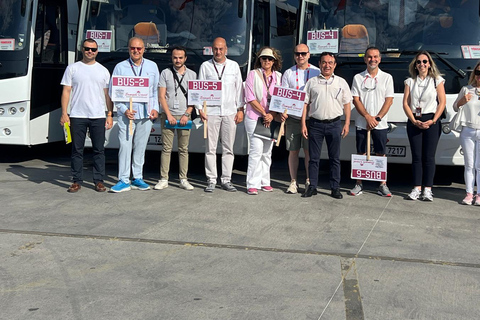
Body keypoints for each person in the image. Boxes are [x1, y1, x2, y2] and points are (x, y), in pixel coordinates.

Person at [60, 38, 113, 193]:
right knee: (77, 150)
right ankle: (76, 181)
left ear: (97, 51)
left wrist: (109, 114)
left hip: (98, 115)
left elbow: (107, 95)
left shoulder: (103, 70)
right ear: (82, 49)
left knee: (99, 150)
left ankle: (99, 181)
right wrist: (64, 113)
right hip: (77, 115)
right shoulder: (72, 68)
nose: (90, 51)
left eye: (93, 49)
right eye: (87, 48)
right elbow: (66, 91)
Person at [110, 37, 160, 193]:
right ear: (128, 49)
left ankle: (137, 177)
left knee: (140, 147)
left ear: (144, 49)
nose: (136, 51)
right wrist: (124, 109)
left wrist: (155, 109)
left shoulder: (152, 66)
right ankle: (123, 179)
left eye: (139, 48)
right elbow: (114, 93)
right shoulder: (120, 67)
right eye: (133, 48)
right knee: (125, 147)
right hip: (127, 115)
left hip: (146, 115)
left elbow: (155, 92)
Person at [301, 52, 352, 199]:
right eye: (324, 62)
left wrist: (347, 123)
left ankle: (335, 188)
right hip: (315, 124)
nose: (327, 65)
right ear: (319, 64)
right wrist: (303, 123)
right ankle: (312, 187)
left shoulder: (341, 82)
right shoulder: (312, 82)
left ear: (335, 65)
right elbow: (305, 104)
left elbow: (347, 104)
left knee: (335, 158)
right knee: (314, 158)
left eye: (330, 62)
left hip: (334, 124)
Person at [197, 37, 244, 193]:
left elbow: (239, 90)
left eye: (221, 49)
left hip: (229, 112)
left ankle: (226, 179)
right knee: (210, 148)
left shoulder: (233, 66)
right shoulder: (205, 66)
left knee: (228, 148)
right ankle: (211, 179)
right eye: (216, 49)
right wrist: (199, 108)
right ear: (212, 49)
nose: (218, 52)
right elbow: (199, 88)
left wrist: (240, 109)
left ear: (226, 50)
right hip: (211, 112)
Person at [349, 46, 394, 197]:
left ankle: (382, 184)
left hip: (380, 124)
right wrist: (367, 117)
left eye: (375, 57)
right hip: (363, 123)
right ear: (365, 59)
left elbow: (389, 100)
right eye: (369, 57)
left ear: (380, 59)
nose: (372, 59)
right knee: (361, 153)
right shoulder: (358, 78)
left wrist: (377, 118)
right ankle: (358, 184)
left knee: (380, 153)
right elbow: (356, 99)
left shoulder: (387, 78)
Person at [403, 51, 446, 201]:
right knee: (416, 156)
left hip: (431, 121)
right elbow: (406, 104)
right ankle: (416, 188)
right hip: (415, 120)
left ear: (429, 64)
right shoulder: (410, 82)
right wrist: (414, 121)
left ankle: (427, 189)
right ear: (415, 65)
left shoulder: (437, 80)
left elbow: (442, 103)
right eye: (419, 62)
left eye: (425, 62)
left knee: (429, 157)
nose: (422, 64)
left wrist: (433, 120)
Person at [155, 46, 196, 191]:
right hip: (168, 115)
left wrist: (187, 114)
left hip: (185, 115)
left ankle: (183, 179)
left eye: (180, 58)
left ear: (185, 58)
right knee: (166, 148)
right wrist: (169, 115)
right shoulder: (165, 73)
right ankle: (163, 178)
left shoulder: (192, 75)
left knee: (183, 149)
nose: (177, 60)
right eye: (175, 57)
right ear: (171, 58)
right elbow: (161, 96)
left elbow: (194, 97)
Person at [281, 44, 320, 194]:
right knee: (293, 150)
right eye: (297, 54)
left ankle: (309, 180)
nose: (300, 56)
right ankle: (293, 181)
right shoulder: (288, 73)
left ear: (309, 54)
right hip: (293, 117)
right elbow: (283, 95)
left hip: (311, 118)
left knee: (309, 151)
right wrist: (282, 112)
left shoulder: (316, 71)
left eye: (303, 53)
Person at [244, 47, 283, 195]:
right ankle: (252, 183)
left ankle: (264, 181)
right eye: (264, 58)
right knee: (256, 151)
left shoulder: (279, 77)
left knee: (267, 152)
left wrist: (271, 114)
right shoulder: (252, 74)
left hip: (271, 117)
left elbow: (280, 99)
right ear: (259, 59)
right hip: (255, 117)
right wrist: (264, 113)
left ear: (274, 61)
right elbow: (250, 98)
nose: (267, 61)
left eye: (270, 59)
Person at [452, 60, 480, 205]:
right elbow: (455, 107)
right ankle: (469, 194)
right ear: (474, 74)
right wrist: (463, 100)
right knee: (469, 164)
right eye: (478, 73)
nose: (479, 76)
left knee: (479, 165)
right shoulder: (466, 89)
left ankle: (479, 194)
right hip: (467, 130)